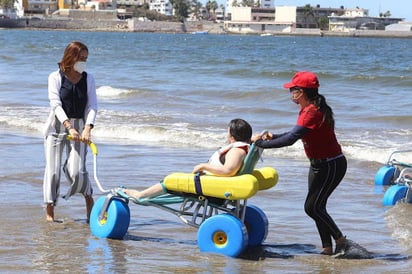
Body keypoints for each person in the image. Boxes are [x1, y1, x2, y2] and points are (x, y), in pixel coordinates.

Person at [251, 71, 347, 257]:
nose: (290, 93)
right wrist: (274, 136)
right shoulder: (308, 109)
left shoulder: (311, 111)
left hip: (331, 165)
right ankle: (327, 249)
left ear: (301, 92)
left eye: (292, 90)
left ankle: (341, 241)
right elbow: (296, 133)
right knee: (318, 207)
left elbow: (291, 140)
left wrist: (261, 143)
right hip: (320, 165)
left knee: (312, 207)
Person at [122, 118, 252, 200]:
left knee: (169, 181)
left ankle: (140, 195)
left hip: (210, 187)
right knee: (174, 181)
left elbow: (228, 170)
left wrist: (203, 166)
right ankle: (146, 195)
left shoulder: (236, 151)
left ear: (232, 136)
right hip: (211, 181)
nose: (226, 133)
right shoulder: (245, 146)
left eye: (228, 131)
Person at [43, 41, 98, 223]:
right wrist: (68, 126)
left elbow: (92, 106)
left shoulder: (88, 78)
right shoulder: (55, 77)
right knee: (53, 171)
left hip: (80, 127)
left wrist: (88, 127)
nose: (83, 62)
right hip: (57, 127)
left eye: (86, 59)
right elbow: (55, 104)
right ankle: (50, 212)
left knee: (77, 171)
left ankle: (88, 198)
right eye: (81, 58)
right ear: (71, 57)